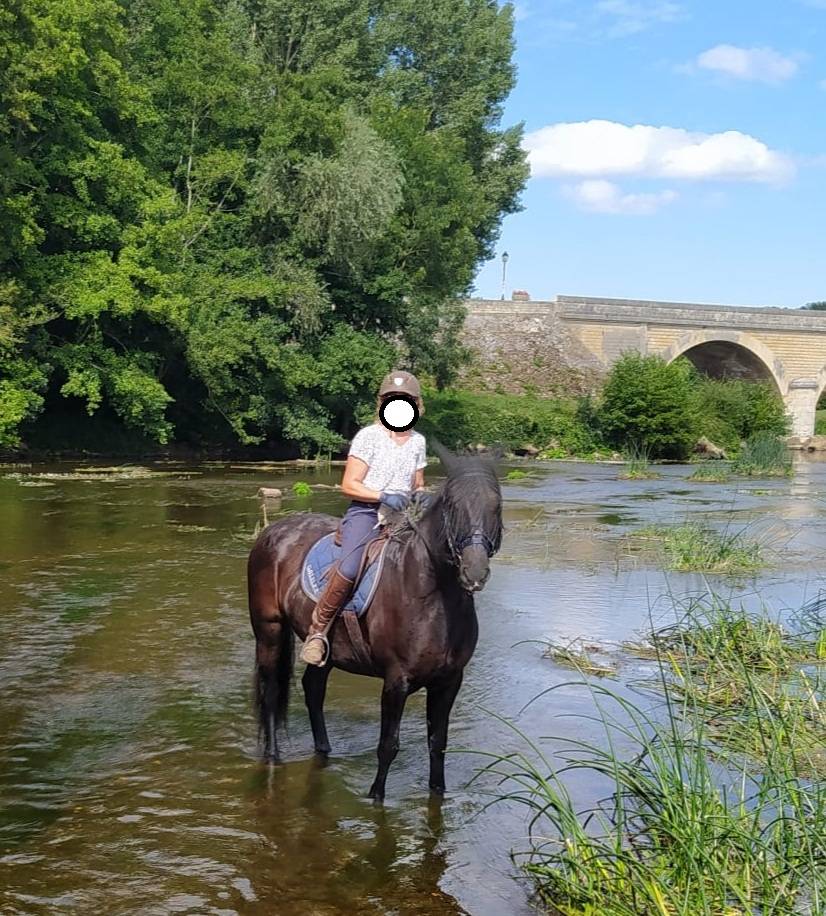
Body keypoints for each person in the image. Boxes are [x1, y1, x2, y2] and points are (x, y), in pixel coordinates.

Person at [299, 370, 430, 666]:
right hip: (367, 512)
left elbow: (417, 482)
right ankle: (317, 631)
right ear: (383, 402)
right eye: (394, 399)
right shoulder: (369, 437)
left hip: (405, 514)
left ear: (415, 404)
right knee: (349, 566)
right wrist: (382, 495)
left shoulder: (418, 442)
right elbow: (349, 484)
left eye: (406, 400)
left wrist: (421, 493)